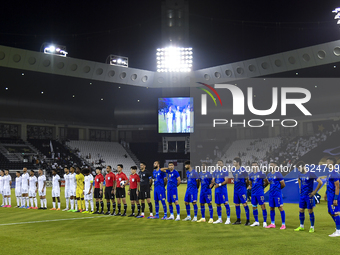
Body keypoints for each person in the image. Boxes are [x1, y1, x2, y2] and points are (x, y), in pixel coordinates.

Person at [294, 161, 322, 233]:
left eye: (299, 168)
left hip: (309, 196)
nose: (298, 170)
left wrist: (315, 192)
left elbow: (320, 182)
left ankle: (312, 227)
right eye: (298, 168)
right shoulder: (300, 174)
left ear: (303, 167)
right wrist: (300, 188)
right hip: (302, 195)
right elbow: (299, 179)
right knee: (301, 210)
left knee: (310, 211)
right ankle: (301, 226)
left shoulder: (311, 174)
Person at [265, 162, 286, 230]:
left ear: (275, 166)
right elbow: (268, 183)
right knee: (271, 208)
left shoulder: (278, 174)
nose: (270, 166)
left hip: (277, 194)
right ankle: (272, 223)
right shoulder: (269, 174)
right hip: (271, 194)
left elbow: (283, 184)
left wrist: (278, 190)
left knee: (280, 208)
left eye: (272, 165)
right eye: (270, 165)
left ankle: (283, 224)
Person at [324, 157, 340, 237]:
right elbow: (329, 185)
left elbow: (337, 187)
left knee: (336, 213)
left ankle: (338, 231)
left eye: (327, 162)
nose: (326, 164)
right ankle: (339, 226)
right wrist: (326, 194)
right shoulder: (329, 173)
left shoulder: (334, 173)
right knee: (330, 212)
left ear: (331, 163)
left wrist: (336, 198)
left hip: (334, 196)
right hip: (330, 196)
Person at [248, 162, 268, 227]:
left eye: (255, 165)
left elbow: (266, 182)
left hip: (260, 193)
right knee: (254, 207)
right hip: (253, 193)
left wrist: (263, 187)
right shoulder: (250, 175)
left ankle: (265, 222)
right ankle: (256, 221)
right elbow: (250, 183)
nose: (254, 166)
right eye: (253, 165)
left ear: (258, 166)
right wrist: (253, 187)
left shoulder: (262, 173)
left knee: (263, 206)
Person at [232, 157, 250, 226]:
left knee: (244, 204)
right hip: (235, 189)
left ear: (238, 162)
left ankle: (248, 220)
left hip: (242, 189)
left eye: (234, 162)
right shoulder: (233, 170)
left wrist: (245, 187)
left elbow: (247, 179)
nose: (233, 163)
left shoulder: (243, 170)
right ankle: (238, 220)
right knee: (236, 204)